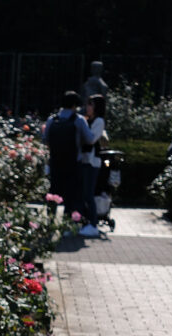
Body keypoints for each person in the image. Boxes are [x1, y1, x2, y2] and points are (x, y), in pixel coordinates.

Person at [42, 90, 96, 219]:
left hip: (55, 161)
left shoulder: (52, 119)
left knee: (53, 192)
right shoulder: (79, 120)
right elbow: (90, 139)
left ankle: (49, 220)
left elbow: (45, 139)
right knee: (71, 194)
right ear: (74, 105)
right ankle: (67, 223)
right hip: (73, 163)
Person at [79, 94, 107, 237]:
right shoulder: (88, 120)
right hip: (85, 160)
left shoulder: (99, 121)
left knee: (89, 194)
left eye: (91, 104)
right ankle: (86, 222)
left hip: (92, 161)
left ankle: (93, 224)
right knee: (84, 194)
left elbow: (91, 139)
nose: (88, 107)